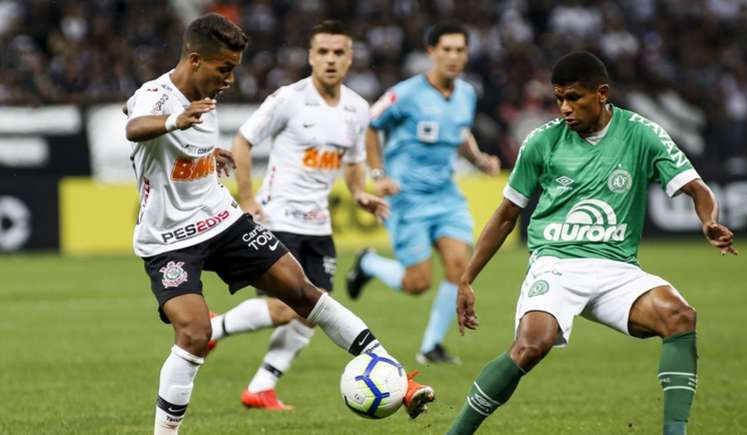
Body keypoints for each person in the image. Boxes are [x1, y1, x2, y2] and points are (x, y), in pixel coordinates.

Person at [125, 14, 433, 435]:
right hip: (167, 240)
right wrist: (174, 122)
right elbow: (134, 124)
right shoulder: (159, 97)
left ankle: (398, 375)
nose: (231, 79)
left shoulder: (205, 94)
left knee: (308, 295)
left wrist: (204, 152)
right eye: (224, 69)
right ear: (195, 60)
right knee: (195, 333)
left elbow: (148, 118)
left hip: (222, 220)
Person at [446, 51, 738, 435]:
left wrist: (709, 220)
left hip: (616, 268)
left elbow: (696, 187)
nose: (564, 108)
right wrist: (467, 278)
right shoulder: (542, 142)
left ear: (601, 93)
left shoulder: (641, 134)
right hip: (556, 263)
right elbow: (505, 215)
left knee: (680, 317)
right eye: (559, 99)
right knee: (533, 344)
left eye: (574, 98)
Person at [206, 20, 391, 411]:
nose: (330, 59)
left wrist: (359, 193)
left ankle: (261, 387)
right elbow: (243, 140)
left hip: (319, 225)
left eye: (338, 52)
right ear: (310, 56)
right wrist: (247, 199)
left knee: (314, 311)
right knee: (284, 307)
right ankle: (210, 329)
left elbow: (354, 160)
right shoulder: (288, 99)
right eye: (322, 52)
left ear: (350, 58)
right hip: (279, 218)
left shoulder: (357, 109)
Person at [345, 22, 500, 365]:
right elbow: (372, 126)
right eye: (447, 49)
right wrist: (378, 175)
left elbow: (460, 133)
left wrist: (478, 160)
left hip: (446, 196)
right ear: (431, 52)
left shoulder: (467, 94)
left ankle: (431, 346)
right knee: (417, 283)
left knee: (460, 266)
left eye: (460, 50)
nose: (454, 56)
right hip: (407, 198)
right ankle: (368, 263)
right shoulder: (406, 94)